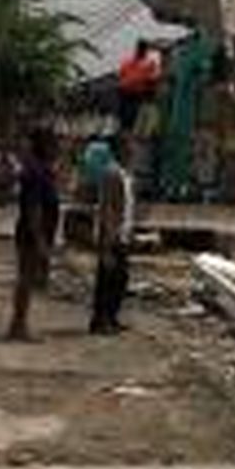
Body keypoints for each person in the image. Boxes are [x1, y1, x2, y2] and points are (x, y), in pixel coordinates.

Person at [9, 128, 60, 341]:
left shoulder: (40, 170)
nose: (57, 149)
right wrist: (39, 239)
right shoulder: (37, 173)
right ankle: (18, 326)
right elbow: (34, 209)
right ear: (45, 147)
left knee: (29, 280)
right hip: (31, 235)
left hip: (34, 233)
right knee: (26, 280)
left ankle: (19, 324)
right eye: (53, 145)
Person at [90, 135, 135, 335]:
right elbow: (107, 208)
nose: (134, 150)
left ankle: (112, 317)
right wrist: (106, 242)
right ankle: (100, 320)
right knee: (107, 279)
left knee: (119, 279)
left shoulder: (126, 174)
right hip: (113, 235)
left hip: (123, 233)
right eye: (130, 146)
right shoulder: (112, 173)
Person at [117, 39, 161, 132]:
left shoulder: (149, 63)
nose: (142, 50)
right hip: (126, 92)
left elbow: (153, 78)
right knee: (126, 116)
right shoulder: (128, 61)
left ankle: (128, 131)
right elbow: (121, 75)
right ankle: (125, 131)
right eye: (141, 48)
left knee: (133, 116)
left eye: (143, 48)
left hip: (137, 93)